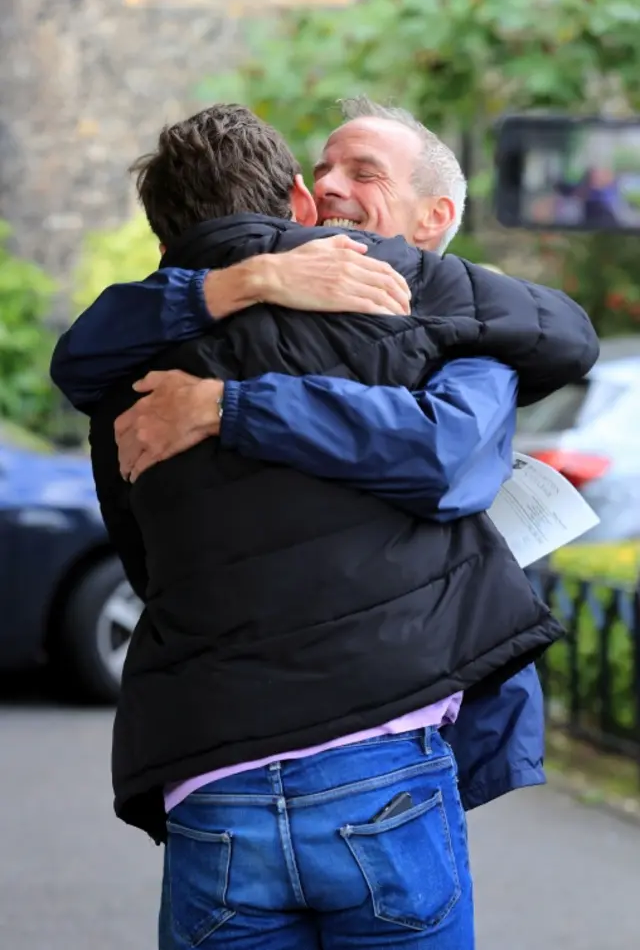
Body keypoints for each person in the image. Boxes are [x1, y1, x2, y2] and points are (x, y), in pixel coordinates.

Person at [51, 101, 598, 950]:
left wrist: (228, 403)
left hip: (212, 774)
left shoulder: (133, 363)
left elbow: (142, 548)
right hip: (379, 761)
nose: (340, 188)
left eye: (366, 173)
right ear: (298, 202)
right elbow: (560, 337)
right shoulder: (433, 311)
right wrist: (246, 284)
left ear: (436, 217)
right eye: (329, 170)